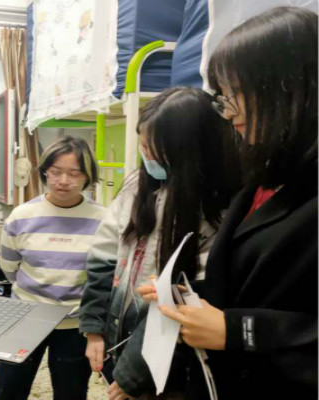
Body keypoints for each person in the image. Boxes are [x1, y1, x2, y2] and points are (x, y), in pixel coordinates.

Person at [139, 7, 318, 400]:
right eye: (222, 96)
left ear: (293, 89)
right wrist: (187, 297)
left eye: (236, 93)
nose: (227, 111)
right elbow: (261, 282)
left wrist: (239, 330)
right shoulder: (264, 178)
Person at [79, 87, 242, 400]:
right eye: (143, 146)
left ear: (192, 151)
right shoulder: (136, 187)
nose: (147, 157)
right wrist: (94, 328)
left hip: (171, 361)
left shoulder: (218, 212)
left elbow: (185, 302)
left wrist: (133, 372)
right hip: (121, 335)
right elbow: (102, 260)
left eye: (156, 150)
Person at [0, 136, 107, 400]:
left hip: (75, 323)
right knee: (8, 388)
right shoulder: (21, 216)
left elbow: (104, 276)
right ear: (44, 171)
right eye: (55, 172)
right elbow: (9, 267)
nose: (63, 181)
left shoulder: (104, 219)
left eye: (74, 174)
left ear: (88, 176)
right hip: (25, 316)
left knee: (71, 392)